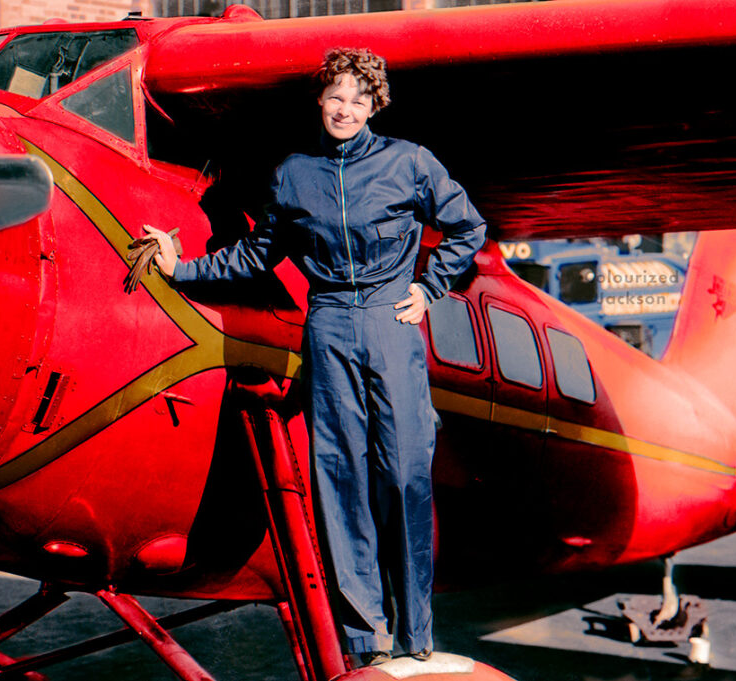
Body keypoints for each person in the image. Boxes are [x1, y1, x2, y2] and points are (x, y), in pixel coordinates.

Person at [141, 47, 487, 665]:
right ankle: (365, 638)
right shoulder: (294, 173)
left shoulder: (410, 162)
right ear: (320, 101)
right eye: (336, 97)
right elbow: (255, 255)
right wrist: (180, 268)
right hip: (328, 325)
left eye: (358, 99)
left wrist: (430, 288)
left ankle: (416, 636)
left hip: (391, 321)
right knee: (340, 478)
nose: (345, 109)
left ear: (374, 105)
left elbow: (468, 228)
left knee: (405, 473)